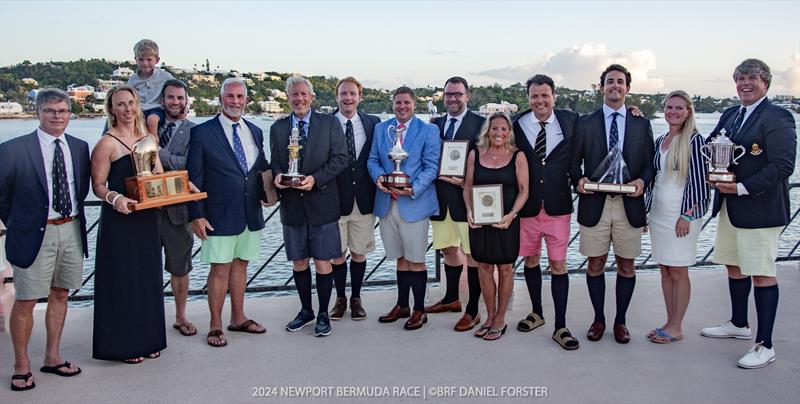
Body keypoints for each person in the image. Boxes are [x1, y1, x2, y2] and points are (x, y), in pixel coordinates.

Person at [700, 59, 796, 368]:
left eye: (752, 78)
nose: (745, 83)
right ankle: (739, 324)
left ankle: (765, 344)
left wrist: (741, 187)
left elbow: (783, 166)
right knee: (734, 265)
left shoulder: (778, 116)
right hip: (730, 206)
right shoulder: (731, 114)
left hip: (760, 208)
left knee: (762, 273)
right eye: (740, 78)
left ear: (765, 83)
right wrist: (713, 172)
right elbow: (710, 146)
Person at [1, 89, 89, 390]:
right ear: (38, 112)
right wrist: (18, 223)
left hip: (71, 229)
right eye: (50, 110)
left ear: (69, 113)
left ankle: (52, 357)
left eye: (63, 110)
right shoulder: (14, 149)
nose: (57, 116)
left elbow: (81, 188)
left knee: (61, 293)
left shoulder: (79, 148)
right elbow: (2, 195)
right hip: (34, 232)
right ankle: (21, 364)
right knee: (25, 300)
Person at [570, 64, 655, 344]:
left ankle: (620, 321)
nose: (615, 86)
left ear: (628, 88)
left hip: (629, 206)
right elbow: (573, 161)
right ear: (602, 87)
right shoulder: (585, 122)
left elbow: (649, 164)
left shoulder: (641, 123)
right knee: (594, 265)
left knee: (626, 266)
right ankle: (599, 319)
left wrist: (642, 182)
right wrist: (579, 179)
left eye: (620, 81)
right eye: (609, 81)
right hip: (595, 204)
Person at [187, 78, 269, 348]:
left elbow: (260, 168)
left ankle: (238, 317)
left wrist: (272, 191)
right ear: (221, 98)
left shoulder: (255, 131)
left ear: (246, 100)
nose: (235, 101)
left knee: (241, 265)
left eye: (240, 96)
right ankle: (215, 324)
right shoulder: (202, 133)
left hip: (250, 213)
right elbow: (194, 178)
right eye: (230, 96)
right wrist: (196, 214)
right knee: (219, 269)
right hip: (217, 214)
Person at [91, 85, 166, 363]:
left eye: (131, 103)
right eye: (121, 104)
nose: (127, 109)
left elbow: (157, 175)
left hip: (146, 218)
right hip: (120, 221)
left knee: (146, 279)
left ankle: (149, 339)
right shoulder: (106, 143)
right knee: (123, 280)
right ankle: (124, 345)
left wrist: (178, 186)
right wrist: (116, 198)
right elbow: (97, 186)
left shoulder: (147, 138)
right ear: (111, 109)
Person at [270, 75, 348, 337]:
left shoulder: (329, 123)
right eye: (294, 94)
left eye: (304, 94)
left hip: (323, 204)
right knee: (299, 262)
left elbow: (341, 159)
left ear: (311, 97)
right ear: (288, 97)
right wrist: (279, 176)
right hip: (292, 207)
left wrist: (316, 180)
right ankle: (306, 310)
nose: (299, 98)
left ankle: (324, 313)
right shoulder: (278, 128)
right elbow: (276, 163)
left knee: (324, 262)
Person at [513, 74, 580, 350]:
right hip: (527, 206)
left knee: (558, 265)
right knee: (530, 260)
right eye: (534, 96)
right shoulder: (517, 124)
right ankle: (537, 312)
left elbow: (599, 122)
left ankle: (560, 325)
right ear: (528, 98)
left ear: (554, 96)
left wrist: (634, 111)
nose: (539, 101)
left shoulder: (571, 120)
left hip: (558, 205)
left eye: (544, 95)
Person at [368, 86, 441, 331]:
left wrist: (413, 189)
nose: (402, 107)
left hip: (414, 204)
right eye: (398, 102)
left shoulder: (428, 130)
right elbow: (373, 160)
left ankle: (420, 309)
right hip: (387, 203)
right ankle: (402, 305)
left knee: (416, 259)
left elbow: (432, 167)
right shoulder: (381, 129)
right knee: (400, 258)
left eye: (406, 103)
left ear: (414, 104)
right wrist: (378, 178)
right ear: (393, 104)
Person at [645, 90, 709, 344]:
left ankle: (677, 327)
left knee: (679, 270)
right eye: (670, 107)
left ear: (688, 111)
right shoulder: (661, 139)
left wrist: (687, 215)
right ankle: (669, 321)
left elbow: (699, 184)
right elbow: (655, 179)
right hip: (659, 214)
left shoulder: (694, 141)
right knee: (665, 269)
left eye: (679, 108)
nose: (673, 112)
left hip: (681, 215)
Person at [464, 113, 529, 341]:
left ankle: (501, 318)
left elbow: (524, 191)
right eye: (494, 129)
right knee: (483, 266)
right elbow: (468, 187)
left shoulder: (518, 156)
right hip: (480, 223)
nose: (499, 133)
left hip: (506, 222)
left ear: (509, 131)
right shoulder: (475, 153)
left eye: (504, 129)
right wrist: (469, 211)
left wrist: (512, 214)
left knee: (504, 268)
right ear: (487, 131)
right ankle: (489, 316)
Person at [427, 77, 485, 332]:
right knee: (448, 250)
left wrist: (469, 180)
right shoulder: (434, 125)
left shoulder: (481, 125)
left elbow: (489, 160)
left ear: (467, 96)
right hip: (441, 201)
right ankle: (451, 299)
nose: (452, 99)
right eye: (448, 94)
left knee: (473, 256)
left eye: (457, 94)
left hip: (468, 201)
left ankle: (472, 310)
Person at [330, 77, 380, 321]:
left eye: (352, 93)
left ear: (360, 96)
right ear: (336, 96)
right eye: (343, 94)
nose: (348, 98)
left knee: (359, 252)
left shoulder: (374, 124)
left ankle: (357, 298)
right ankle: (340, 299)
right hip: (334, 201)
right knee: (337, 254)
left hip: (364, 199)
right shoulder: (325, 124)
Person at [155, 79, 198, 337]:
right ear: (163, 100)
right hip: (148, 210)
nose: (175, 102)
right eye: (171, 97)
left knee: (180, 267)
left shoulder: (196, 132)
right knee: (145, 267)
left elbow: (192, 165)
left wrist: (160, 155)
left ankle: (181, 316)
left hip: (179, 210)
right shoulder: (147, 127)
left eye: (180, 98)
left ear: (186, 101)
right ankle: (148, 314)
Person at [127, 39, 175, 136]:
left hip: (157, 110)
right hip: (139, 110)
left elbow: (180, 90)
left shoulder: (165, 76)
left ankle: (153, 140)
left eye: (149, 60)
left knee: (152, 120)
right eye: (141, 59)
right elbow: (128, 96)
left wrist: (185, 109)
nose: (145, 63)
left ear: (157, 60)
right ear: (136, 59)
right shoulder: (133, 80)